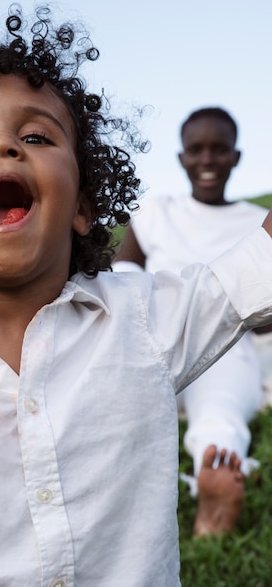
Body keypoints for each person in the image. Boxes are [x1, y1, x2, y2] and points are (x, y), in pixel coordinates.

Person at [0, 7, 272, 587]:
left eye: (35, 135)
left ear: (81, 207)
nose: (2, 147)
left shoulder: (141, 319)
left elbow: (258, 269)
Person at [114, 106, 271, 537]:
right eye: (196, 150)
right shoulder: (154, 213)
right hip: (152, 334)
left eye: (219, 150)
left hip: (229, 343)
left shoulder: (255, 224)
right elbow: (124, 274)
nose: (207, 160)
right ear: (181, 157)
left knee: (220, 373)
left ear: (236, 157)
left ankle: (215, 467)